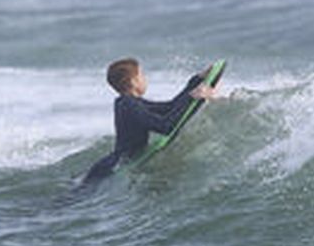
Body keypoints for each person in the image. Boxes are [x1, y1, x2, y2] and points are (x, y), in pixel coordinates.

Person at [80, 57, 217, 183]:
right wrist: (193, 98)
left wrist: (196, 80)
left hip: (114, 161)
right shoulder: (129, 105)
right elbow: (166, 126)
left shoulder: (127, 102)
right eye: (141, 75)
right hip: (111, 166)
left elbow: (169, 107)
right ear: (134, 82)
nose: (145, 79)